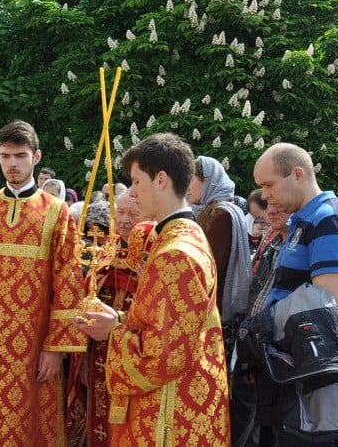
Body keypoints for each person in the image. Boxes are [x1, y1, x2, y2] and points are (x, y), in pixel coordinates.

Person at [74, 132, 230, 446]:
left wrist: (113, 330)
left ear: (161, 179)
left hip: (168, 415)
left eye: (136, 182)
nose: (132, 193)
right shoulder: (185, 236)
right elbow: (169, 326)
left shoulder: (176, 253)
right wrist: (119, 317)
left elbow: (163, 358)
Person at [0, 120, 87, 446]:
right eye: (5, 156)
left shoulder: (56, 213)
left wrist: (55, 347)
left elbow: (68, 282)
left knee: (34, 427)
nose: (12, 164)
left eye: (20, 156)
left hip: (35, 347)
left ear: (36, 157)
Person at [251, 142, 338, 445]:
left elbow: (328, 309)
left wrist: (262, 326)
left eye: (269, 185)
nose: (265, 195)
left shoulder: (330, 221)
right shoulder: (306, 222)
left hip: (329, 380)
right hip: (307, 372)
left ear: (297, 174)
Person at [66, 195, 156, 446]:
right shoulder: (105, 252)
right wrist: (81, 358)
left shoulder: (155, 256)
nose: (125, 221)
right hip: (97, 355)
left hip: (133, 357)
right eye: (121, 213)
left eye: (133, 214)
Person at [232, 202, 290, 447]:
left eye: (280, 207)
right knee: (245, 399)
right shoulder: (272, 236)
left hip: (269, 343)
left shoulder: (296, 242)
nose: (270, 213)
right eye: (268, 207)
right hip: (252, 339)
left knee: (255, 405)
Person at [188, 155, 252, 358]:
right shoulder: (211, 211)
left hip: (215, 307)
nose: (187, 186)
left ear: (208, 181)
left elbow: (211, 266)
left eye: (192, 180)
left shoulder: (220, 215)